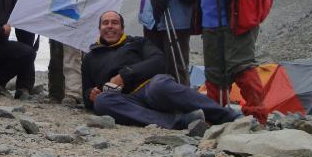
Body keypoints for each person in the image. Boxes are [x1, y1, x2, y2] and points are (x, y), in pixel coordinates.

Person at [81, 11, 239, 129]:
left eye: (114, 23)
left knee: (160, 84)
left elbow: (159, 61)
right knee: (102, 102)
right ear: (100, 28)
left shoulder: (137, 42)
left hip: (150, 89)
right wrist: (90, 95)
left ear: (122, 28)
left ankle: (228, 116)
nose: (110, 26)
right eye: (105, 23)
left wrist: (125, 74)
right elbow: (86, 93)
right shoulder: (90, 57)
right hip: (125, 100)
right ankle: (180, 121)